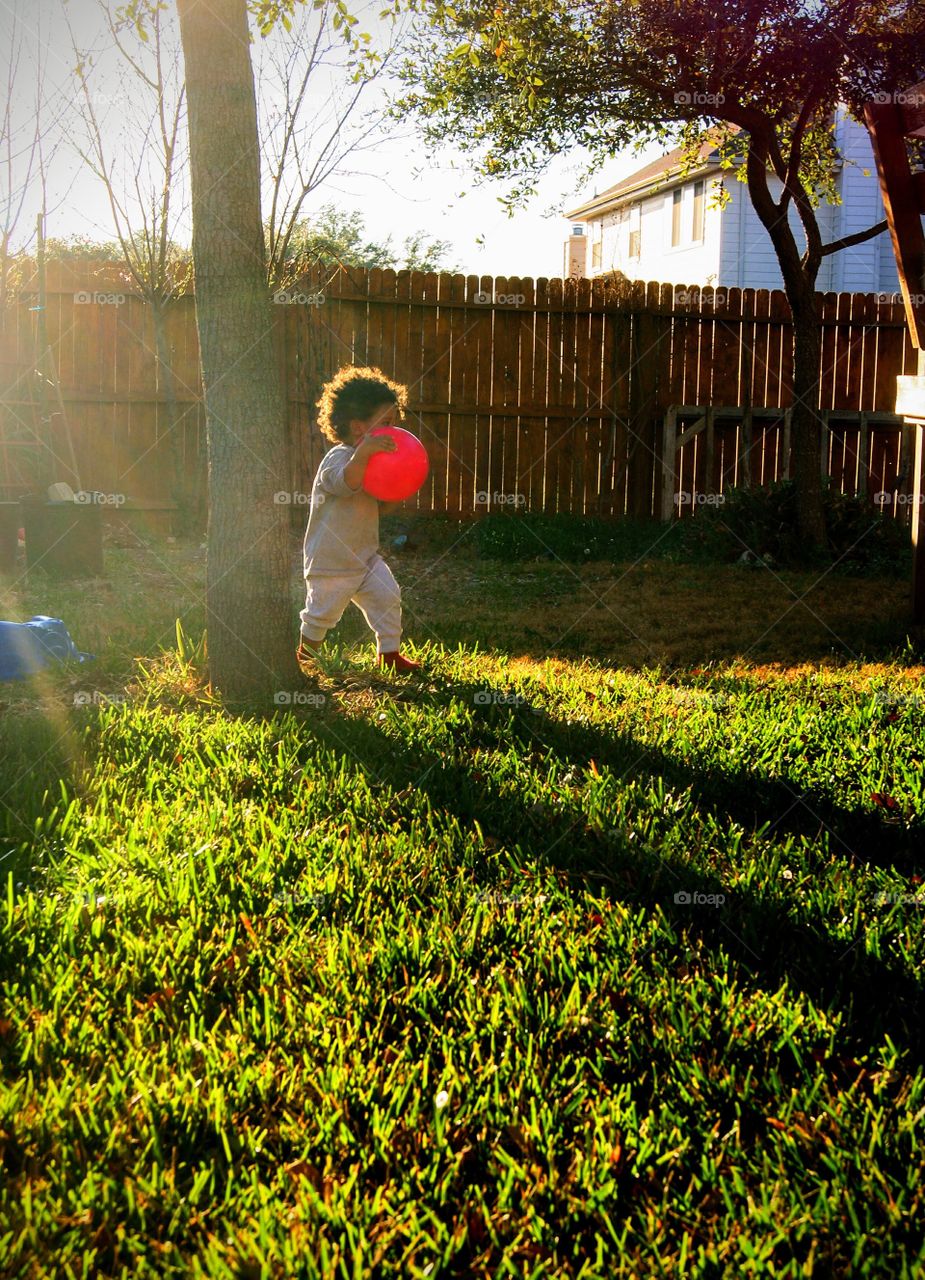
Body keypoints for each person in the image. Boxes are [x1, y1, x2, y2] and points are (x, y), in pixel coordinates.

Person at [296, 365, 422, 673]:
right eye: (387, 423)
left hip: (365, 557)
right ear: (358, 428)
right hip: (331, 561)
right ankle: (304, 658)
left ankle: (389, 653)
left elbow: (378, 503)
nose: (394, 430)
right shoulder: (338, 458)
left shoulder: (377, 464)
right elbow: (346, 483)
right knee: (320, 615)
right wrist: (364, 454)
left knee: (388, 597)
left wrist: (397, 489)